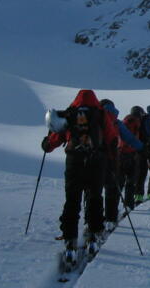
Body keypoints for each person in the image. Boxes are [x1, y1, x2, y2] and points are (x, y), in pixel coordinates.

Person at [42, 90, 118, 265]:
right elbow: (111, 137)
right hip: (96, 161)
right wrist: (112, 161)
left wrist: (47, 145)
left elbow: (56, 136)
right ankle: (94, 236)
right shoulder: (100, 113)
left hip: (74, 161)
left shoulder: (70, 112)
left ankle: (70, 242)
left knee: (72, 199)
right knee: (95, 198)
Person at [99, 99, 142, 232]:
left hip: (92, 159)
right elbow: (130, 138)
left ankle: (91, 224)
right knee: (114, 187)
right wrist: (142, 147)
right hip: (114, 159)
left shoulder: (93, 118)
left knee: (93, 192)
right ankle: (111, 218)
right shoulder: (117, 122)